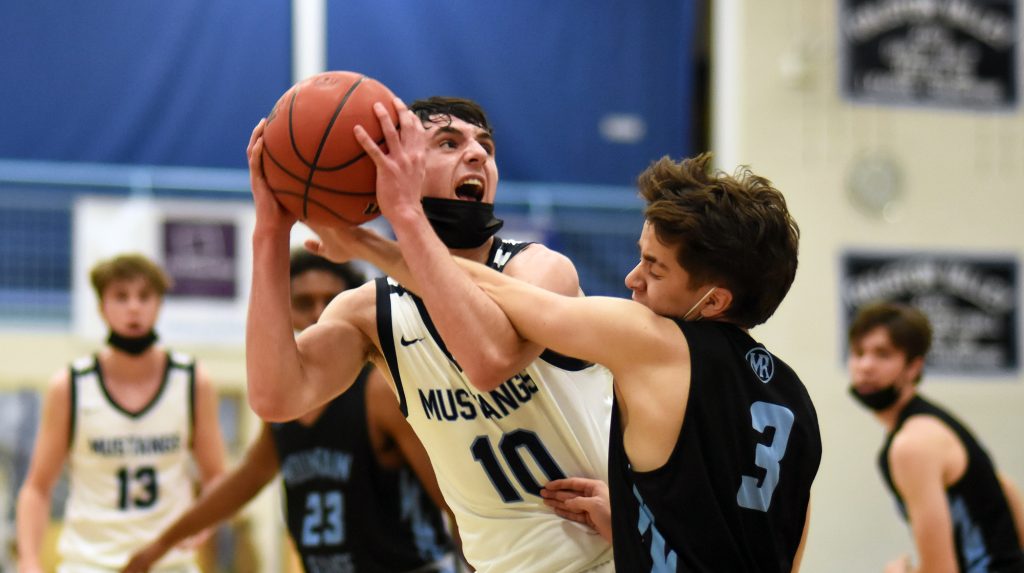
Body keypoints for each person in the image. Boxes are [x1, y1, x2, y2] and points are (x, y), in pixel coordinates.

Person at [245, 96, 614, 572]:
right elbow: (275, 397)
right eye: (448, 142)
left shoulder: (539, 269)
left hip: (607, 559)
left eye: (486, 145)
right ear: (398, 166)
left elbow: (490, 360)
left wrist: (390, 227)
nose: (479, 154)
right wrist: (270, 233)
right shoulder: (371, 311)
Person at [434, 152, 822, 571]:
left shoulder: (658, 343)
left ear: (714, 301)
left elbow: (511, 299)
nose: (632, 279)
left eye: (654, 270)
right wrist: (631, 524)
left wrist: (400, 235)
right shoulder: (796, 399)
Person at [121, 250, 457, 573]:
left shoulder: (378, 390)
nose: (319, 313)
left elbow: (454, 496)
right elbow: (247, 478)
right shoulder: (286, 400)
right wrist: (162, 543)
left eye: (331, 301)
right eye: (303, 302)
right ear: (286, 312)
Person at [16, 253, 226, 573]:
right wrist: (29, 560)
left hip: (170, 562)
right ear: (102, 307)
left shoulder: (191, 380)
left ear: (159, 305)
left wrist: (206, 521)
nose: (133, 307)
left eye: (144, 296)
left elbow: (216, 477)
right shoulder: (70, 386)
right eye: (121, 296)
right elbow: (37, 487)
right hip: (89, 561)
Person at [847, 302, 1024, 573]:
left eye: (883, 354)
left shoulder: (912, 444)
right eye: (859, 353)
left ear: (913, 366)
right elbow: (1005, 488)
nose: (866, 365)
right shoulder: (932, 424)